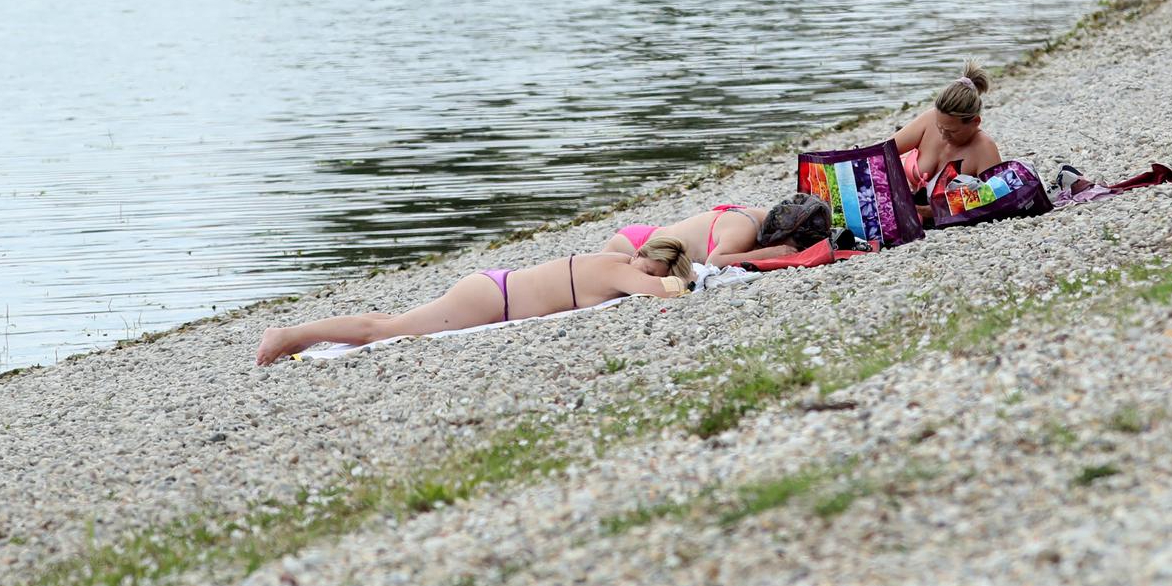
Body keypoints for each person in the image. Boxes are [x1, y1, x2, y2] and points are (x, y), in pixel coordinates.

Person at [255, 240, 693, 364]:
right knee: (387, 333)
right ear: (642, 259)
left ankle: (304, 336)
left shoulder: (618, 257)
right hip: (493, 299)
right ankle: (292, 333)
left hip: (492, 291)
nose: (643, 277)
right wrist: (679, 284)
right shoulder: (622, 269)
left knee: (395, 321)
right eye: (647, 269)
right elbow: (660, 292)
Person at [891, 59, 1001, 219]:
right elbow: (882, 152)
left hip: (927, 218)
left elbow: (993, 199)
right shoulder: (929, 120)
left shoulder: (984, 148)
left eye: (952, 131)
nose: (943, 135)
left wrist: (934, 211)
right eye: (940, 127)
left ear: (975, 122)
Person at [603, 194, 831, 270]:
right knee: (596, 280)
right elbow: (715, 261)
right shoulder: (745, 228)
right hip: (637, 245)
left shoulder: (769, 218)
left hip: (655, 244)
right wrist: (775, 252)